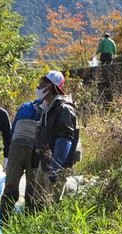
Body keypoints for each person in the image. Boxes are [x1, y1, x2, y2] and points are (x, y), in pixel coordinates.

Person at [35, 71, 78, 207]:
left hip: (54, 168)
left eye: (42, 85)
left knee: (51, 205)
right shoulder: (48, 107)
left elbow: (65, 139)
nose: (38, 88)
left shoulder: (63, 108)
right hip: (45, 163)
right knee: (39, 204)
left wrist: (56, 167)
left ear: (51, 87)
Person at [0, 97, 42, 218]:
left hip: (17, 146)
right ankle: (29, 219)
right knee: (32, 187)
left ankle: (4, 219)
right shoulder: (48, 109)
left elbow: (13, 131)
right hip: (34, 149)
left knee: (11, 185)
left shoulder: (24, 107)